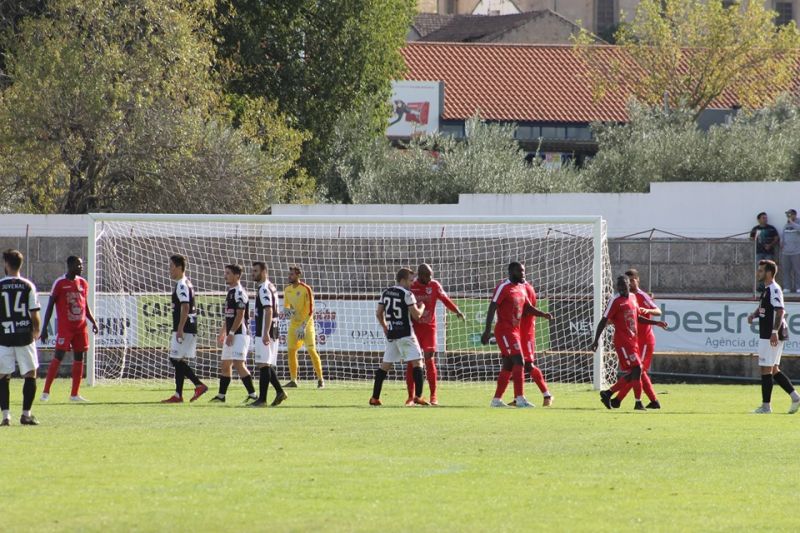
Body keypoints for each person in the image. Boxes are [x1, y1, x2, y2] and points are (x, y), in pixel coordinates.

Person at [590, 275, 667, 412]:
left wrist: (656, 323)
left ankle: (608, 393)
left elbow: (637, 317)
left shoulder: (633, 297)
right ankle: (638, 403)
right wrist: (596, 340)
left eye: (623, 286)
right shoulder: (615, 301)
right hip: (622, 343)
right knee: (637, 369)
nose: (621, 289)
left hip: (634, 341)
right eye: (619, 287)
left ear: (628, 285)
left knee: (635, 372)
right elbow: (603, 320)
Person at [481, 262, 553, 409]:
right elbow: (492, 307)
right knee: (519, 361)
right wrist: (487, 331)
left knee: (508, 364)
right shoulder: (503, 287)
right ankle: (520, 399)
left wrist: (542, 314)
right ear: (511, 272)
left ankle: (496, 400)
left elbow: (527, 307)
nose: (523, 274)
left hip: (515, 330)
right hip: (504, 330)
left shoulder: (521, 288)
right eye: (520, 271)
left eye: (524, 271)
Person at [40, 256, 99, 402]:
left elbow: (85, 306)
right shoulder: (60, 283)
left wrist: (93, 322)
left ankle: (74, 394)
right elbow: (50, 306)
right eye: (78, 264)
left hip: (80, 328)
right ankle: (45, 392)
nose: (81, 267)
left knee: (79, 358)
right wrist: (45, 328)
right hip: (66, 329)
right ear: (70, 265)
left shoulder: (83, 283)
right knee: (58, 357)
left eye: (82, 264)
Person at [405, 263, 465, 406]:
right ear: (420, 275)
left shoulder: (434, 285)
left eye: (431, 275)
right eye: (427, 275)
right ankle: (410, 397)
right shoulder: (411, 286)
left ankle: (433, 396)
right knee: (412, 361)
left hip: (429, 328)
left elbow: (445, 299)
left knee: (429, 359)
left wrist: (456, 310)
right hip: (414, 328)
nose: (430, 277)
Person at [747, 260, 800, 414]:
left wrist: (774, 331)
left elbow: (780, 311)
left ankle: (766, 406)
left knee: (765, 369)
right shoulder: (766, 289)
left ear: (769, 273)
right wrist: (754, 315)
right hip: (767, 333)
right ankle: (795, 397)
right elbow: (764, 308)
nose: (758, 273)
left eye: (761, 270)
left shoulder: (774, 289)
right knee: (773, 369)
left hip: (771, 334)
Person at [370, 268, 427, 406]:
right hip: (405, 334)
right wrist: (422, 306)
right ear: (403, 279)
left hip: (392, 333)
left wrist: (385, 327)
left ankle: (375, 397)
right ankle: (418, 396)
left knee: (385, 366)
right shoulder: (407, 294)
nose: (412, 283)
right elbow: (417, 316)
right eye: (410, 280)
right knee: (418, 363)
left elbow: (378, 313)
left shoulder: (386, 292)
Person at [0, 249, 42, 426]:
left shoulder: (0, 285)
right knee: (30, 374)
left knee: (2, 375)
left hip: (4, 336)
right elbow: (34, 313)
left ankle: (6, 417)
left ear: (6, 265)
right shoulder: (27, 285)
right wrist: (36, 331)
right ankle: (26, 414)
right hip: (24, 335)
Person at [610, 269, 662, 409]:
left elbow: (658, 311)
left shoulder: (641, 295)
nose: (631, 283)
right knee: (637, 372)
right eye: (629, 280)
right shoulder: (626, 297)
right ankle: (653, 401)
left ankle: (616, 398)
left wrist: (648, 311)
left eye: (633, 280)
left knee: (637, 371)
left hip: (645, 339)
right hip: (633, 341)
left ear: (638, 280)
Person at [161, 254, 208, 403]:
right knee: (177, 359)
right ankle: (178, 395)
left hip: (185, 328)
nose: (170, 270)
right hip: (187, 327)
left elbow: (186, 306)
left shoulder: (182, 284)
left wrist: (180, 328)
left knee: (175, 359)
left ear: (179, 267)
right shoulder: (186, 283)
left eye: (171, 266)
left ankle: (198, 385)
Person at [210, 264, 257, 403]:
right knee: (225, 365)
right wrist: (223, 330)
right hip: (231, 333)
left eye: (228, 273)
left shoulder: (239, 292)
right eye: (225, 273)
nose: (225, 275)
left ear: (237, 276)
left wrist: (231, 333)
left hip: (240, 334)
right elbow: (229, 315)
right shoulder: (230, 292)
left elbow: (240, 314)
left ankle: (253, 395)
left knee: (238, 363)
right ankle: (221, 396)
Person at [249, 262, 287, 408]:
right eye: (252, 271)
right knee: (265, 363)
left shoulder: (264, 288)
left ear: (264, 272)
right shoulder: (270, 286)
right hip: (272, 330)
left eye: (256, 271)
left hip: (266, 331)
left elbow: (269, 310)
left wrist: (265, 332)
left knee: (263, 364)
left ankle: (262, 399)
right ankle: (279, 392)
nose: (253, 273)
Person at [283, 266, 324, 388]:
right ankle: (293, 380)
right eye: (289, 274)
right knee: (291, 351)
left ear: (298, 275)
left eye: (291, 274)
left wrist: (303, 326)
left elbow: (311, 310)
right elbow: (286, 307)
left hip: (306, 325)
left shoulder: (306, 289)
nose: (289, 276)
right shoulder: (287, 290)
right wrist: (287, 311)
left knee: (311, 350)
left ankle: (320, 380)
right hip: (294, 325)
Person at [750, 212, 780, 290]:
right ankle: (760, 287)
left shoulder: (771, 228)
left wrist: (770, 245)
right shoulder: (755, 229)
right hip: (759, 252)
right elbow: (751, 238)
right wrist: (755, 238)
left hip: (769, 253)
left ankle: (769, 286)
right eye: (763, 218)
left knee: (769, 269)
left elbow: (776, 238)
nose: (765, 219)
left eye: (766, 218)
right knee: (760, 270)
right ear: (759, 219)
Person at [780, 209, 800, 294]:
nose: (788, 216)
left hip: (796, 251)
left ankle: (798, 287)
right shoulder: (786, 224)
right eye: (788, 214)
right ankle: (787, 287)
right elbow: (783, 234)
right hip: (786, 252)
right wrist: (782, 242)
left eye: (790, 214)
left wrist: (791, 222)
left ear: (794, 215)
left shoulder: (797, 223)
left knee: (797, 270)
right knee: (786, 270)